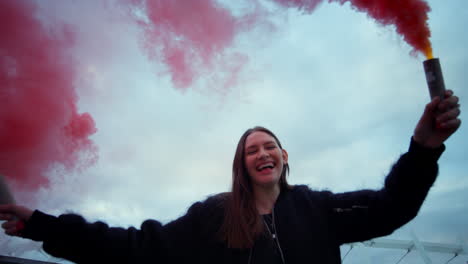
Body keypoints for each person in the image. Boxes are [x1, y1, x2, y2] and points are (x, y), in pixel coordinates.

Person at [0, 90, 462, 264]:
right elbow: (134, 248)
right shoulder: (213, 217)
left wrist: (424, 147)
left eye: (268, 145)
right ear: (242, 166)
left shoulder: (320, 209)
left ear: (283, 155)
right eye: (250, 150)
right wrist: (41, 224)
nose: (261, 153)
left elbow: (391, 207)